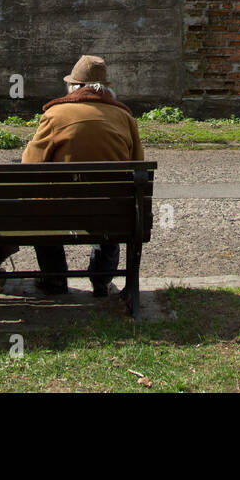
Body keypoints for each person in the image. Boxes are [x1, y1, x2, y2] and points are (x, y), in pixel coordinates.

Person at [21, 54, 144, 298]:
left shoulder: (56, 115)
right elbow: (138, 166)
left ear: (73, 86)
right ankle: (101, 280)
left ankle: (55, 279)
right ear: (105, 88)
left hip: (61, 212)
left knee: (41, 208)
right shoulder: (125, 118)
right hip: (112, 214)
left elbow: (30, 165)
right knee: (111, 206)